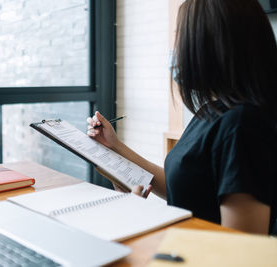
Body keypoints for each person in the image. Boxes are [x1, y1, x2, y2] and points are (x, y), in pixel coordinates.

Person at [87, 0, 277, 235]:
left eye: (179, 36)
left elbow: (241, 251)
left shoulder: (243, 125)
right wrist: (115, 147)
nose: (175, 49)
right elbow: (187, 185)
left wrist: (139, 220)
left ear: (207, 45)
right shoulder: (213, 112)